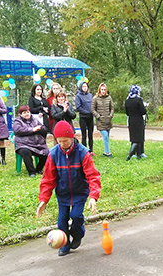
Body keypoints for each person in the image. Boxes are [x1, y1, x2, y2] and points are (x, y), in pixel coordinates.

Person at [37, 121, 101, 257]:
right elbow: (48, 179)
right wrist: (43, 200)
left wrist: (93, 197)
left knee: (76, 216)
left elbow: (93, 176)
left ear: (72, 138)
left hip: (79, 192)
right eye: (58, 141)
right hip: (63, 194)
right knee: (62, 221)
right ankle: (64, 245)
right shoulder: (53, 154)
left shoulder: (83, 153)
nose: (62, 144)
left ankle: (78, 234)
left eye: (65, 141)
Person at [12, 105, 49, 177]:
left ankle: (38, 169)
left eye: (28, 112)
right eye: (24, 113)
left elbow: (44, 129)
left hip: (37, 144)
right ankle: (31, 172)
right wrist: (32, 130)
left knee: (46, 153)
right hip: (23, 144)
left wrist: (40, 128)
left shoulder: (35, 119)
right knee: (25, 152)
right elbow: (17, 130)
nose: (27, 114)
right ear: (21, 114)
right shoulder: (17, 121)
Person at [92, 83, 114, 158]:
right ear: (99, 90)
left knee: (107, 137)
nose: (103, 91)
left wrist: (110, 115)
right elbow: (93, 109)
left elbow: (112, 108)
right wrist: (98, 116)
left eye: (104, 89)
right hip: (100, 121)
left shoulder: (109, 98)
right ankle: (108, 153)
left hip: (108, 121)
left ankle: (105, 151)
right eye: (102, 89)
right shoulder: (95, 98)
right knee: (105, 136)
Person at [125, 85, 147, 160]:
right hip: (138, 120)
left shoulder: (127, 100)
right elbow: (143, 111)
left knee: (134, 137)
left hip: (131, 120)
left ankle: (135, 154)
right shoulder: (138, 100)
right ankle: (134, 154)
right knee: (139, 138)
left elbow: (127, 112)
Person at [75, 81, 94, 153]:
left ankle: (91, 150)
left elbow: (93, 105)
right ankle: (84, 150)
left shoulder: (90, 95)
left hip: (90, 117)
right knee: (84, 134)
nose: (84, 88)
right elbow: (78, 107)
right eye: (83, 86)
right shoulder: (78, 96)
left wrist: (92, 112)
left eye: (86, 86)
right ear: (80, 87)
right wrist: (86, 112)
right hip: (83, 117)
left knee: (90, 134)